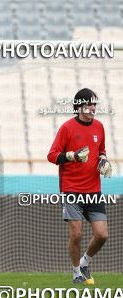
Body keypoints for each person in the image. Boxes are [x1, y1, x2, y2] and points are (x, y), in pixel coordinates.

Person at [47, 88, 112, 284]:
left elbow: (101, 152)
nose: (93, 107)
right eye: (89, 104)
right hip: (71, 188)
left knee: (102, 235)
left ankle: (84, 262)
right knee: (76, 234)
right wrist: (72, 156)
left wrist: (104, 162)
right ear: (79, 106)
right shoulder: (67, 128)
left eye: (94, 104)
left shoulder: (99, 127)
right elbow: (51, 156)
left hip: (94, 189)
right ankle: (76, 272)